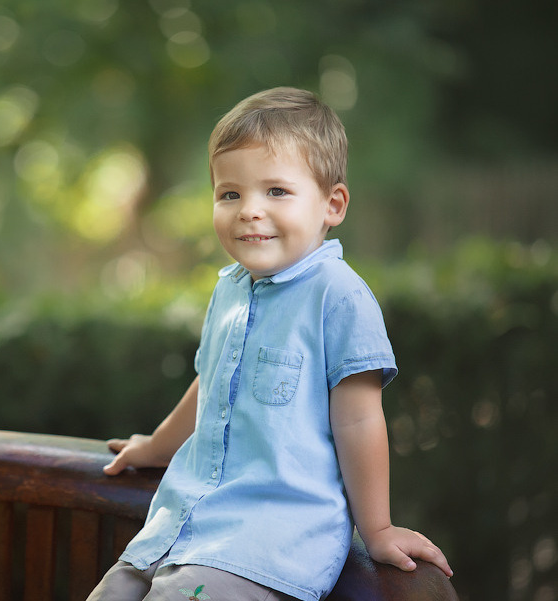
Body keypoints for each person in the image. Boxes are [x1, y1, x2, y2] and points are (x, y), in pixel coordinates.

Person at [87, 87, 452, 601]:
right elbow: (210, 385)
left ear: (332, 203)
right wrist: (155, 447)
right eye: (230, 194)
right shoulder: (230, 287)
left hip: (262, 547)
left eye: (276, 191)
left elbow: (359, 419)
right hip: (177, 532)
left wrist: (379, 529)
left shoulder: (338, 296)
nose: (248, 211)